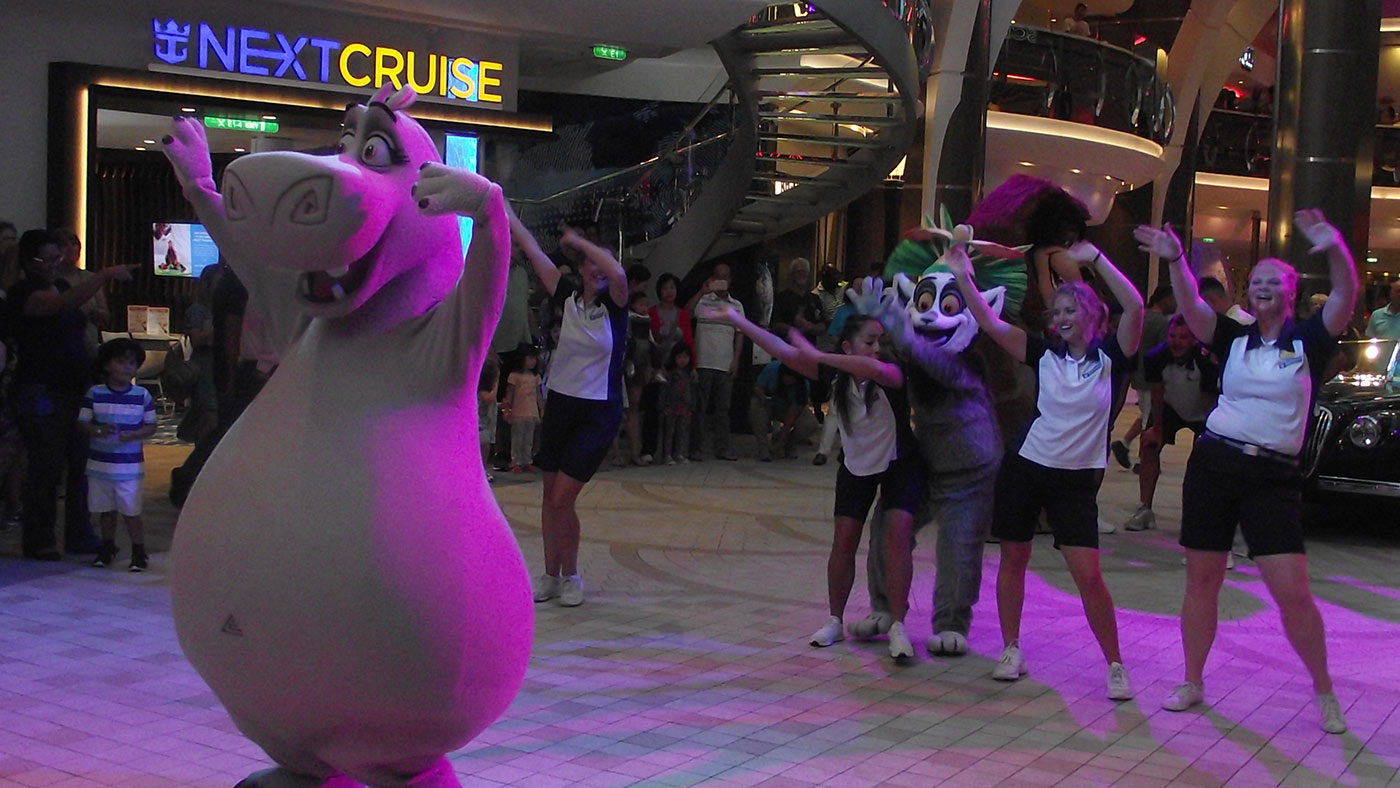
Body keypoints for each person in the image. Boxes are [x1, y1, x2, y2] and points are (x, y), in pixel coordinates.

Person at [1135, 211, 1357, 734]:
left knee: (1292, 590)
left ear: (1290, 290)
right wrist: (1175, 265)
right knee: (1202, 581)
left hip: (1272, 477)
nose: (1261, 287)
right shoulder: (1233, 336)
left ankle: (1323, 689)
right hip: (1215, 464)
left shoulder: (1309, 339)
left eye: (1272, 281)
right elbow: (1190, 305)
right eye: (1254, 281)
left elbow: (1345, 297)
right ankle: (1193, 681)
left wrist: (1335, 245)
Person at [947, 237, 1142, 699]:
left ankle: (1115, 663)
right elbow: (988, 322)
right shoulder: (1043, 354)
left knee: (1088, 574)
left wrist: (1095, 258)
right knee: (1014, 558)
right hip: (1027, 468)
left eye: (1070, 309)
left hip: (1075, 482)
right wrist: (960, 274)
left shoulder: (1112, 358)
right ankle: (1011, 649)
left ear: (1092, 315)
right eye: (1056, 313)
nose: (1061, 318)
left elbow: (1133, 305)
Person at [704, 303, 922, 660]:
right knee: (844, 541)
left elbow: (870, 368)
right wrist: (736, 320)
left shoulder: (892, 370)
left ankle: (899, 625)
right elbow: (782, 351)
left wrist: (822, 356)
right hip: (856, 465)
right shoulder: (836, 374)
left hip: (900, 463)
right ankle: (834, 619)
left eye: (880, 341)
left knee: (896, 537)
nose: (877, 348)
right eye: (869, 341)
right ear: (848, 346)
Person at [510, 208, 627, 608]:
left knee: (563, 498)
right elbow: (528, 245)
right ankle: (550, 575)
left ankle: (572, 574)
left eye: (603, 261)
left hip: (598, 413)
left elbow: (620, 275)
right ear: (581, 268)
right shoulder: (567, 296)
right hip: (560, 402)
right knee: (549, 497)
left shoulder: (616, 306)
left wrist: (578, 241)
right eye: (591, 262)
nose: (601, 269)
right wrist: (506, 211)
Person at [8, 230, 134, 560]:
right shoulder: (24, 292)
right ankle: (39, 540)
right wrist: (104, 275)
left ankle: (79, 534)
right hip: (41, 388)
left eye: (57, 258)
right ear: (28, 261)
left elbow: (74, 312)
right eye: (45, 259)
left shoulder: (62, 285)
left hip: (74, 386)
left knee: (81, 464)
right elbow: (60, 306)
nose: (53, 264)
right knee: (46, 467)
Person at [1122, 315, 1218, 532]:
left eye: (1183, 337)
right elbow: (1157, 393)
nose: (1177, 342)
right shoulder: (1155, 357)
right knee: (1148, 446)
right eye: (1173, 336)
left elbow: (1208, 402)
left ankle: (1198, 514)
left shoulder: (1205, 360)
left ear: (1194, 339)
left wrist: (1208, 436)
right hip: (1170, 407)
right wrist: (1156, 428)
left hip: (1203, 412)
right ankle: (1144, 508)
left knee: (1203, 460)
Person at [77, 338, 157, 571]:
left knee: (131, 510)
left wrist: (132, 435)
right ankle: (107, 546)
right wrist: (99, 430)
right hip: (100, 465)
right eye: (121, 362)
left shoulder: (142, 395)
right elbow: (82, 423)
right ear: (106, 365)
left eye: (131, 363)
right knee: (105, 510)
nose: (126, 368)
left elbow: (151, 426)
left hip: (129, 467)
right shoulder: (95, 393)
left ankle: (138, 551)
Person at [1112, 287, 1176, 471]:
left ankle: (1124, 444)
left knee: (1146, 413)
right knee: (1151, 418)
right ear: (1164, 299)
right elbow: (1165, 352)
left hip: (1138, 374)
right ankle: (1143, 458)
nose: (1175, 303)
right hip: (1152, 378)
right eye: (1173, 299)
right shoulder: (1161, 323)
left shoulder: (1142, 318)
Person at [691, 263, 744, 461]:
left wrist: (736, 361)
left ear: (730, 280)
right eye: (717, 277)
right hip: (703, 361)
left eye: (725, 277)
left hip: (725, 363)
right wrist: (701, 291)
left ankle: (722, 448)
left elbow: (740, 335)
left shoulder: (737, 305)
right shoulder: (703, 300)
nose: (722, 281)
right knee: (700, 407)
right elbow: (686, 314)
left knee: (723, 409)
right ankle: (696, 448)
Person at [52, 228, 109, 357]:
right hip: (58, 346)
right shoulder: (50, 279)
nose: (70, 248)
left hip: (88, 345)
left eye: (74, 244)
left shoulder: (91, 278)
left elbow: (106, 316)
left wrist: (94, 313)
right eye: (64, 245)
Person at [504, 345, 543, 473]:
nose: (533, 362)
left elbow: (538, 395)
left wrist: (541, 409)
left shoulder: (536, 377)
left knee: (528, 438)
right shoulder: (514, 376)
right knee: (517, 438)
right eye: (530, 358)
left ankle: (527, 461)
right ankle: (515, 461)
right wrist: (507, 410)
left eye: (534, 359)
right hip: (517, 411)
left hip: (531, 411)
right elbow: (509, 394)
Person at [659, 342, 697, 465]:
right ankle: (667, 454)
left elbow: (692, 391)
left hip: (684, 406)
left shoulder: (690, 375)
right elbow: (664, 390)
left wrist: (691, 404)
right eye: (679, 357)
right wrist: (663, 405)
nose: (682, 360)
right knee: (669, 432)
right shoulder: (669, 374)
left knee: (682, 432)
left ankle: (679, 453)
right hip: (671, 406)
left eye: (685, 357)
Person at [479, 355, 501, 483]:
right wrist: (496, 383)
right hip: (479, 424)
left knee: (485, 446)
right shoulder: (482, 390)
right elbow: (488, 398)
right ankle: (481, 470)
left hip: (486, 422)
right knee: (484, 446)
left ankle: (483, 469)